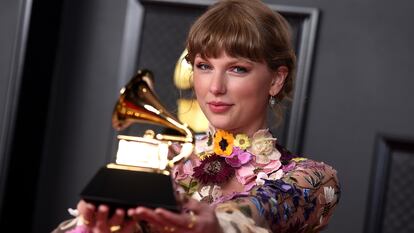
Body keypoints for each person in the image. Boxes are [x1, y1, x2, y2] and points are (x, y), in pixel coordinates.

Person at [53, 0, 340, 232]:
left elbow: (266, 209)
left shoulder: (313, 179)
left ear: (276, 80)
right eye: (204, 66)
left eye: (237, 68)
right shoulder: (162, 160)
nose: (215, 87)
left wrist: (218, 223)